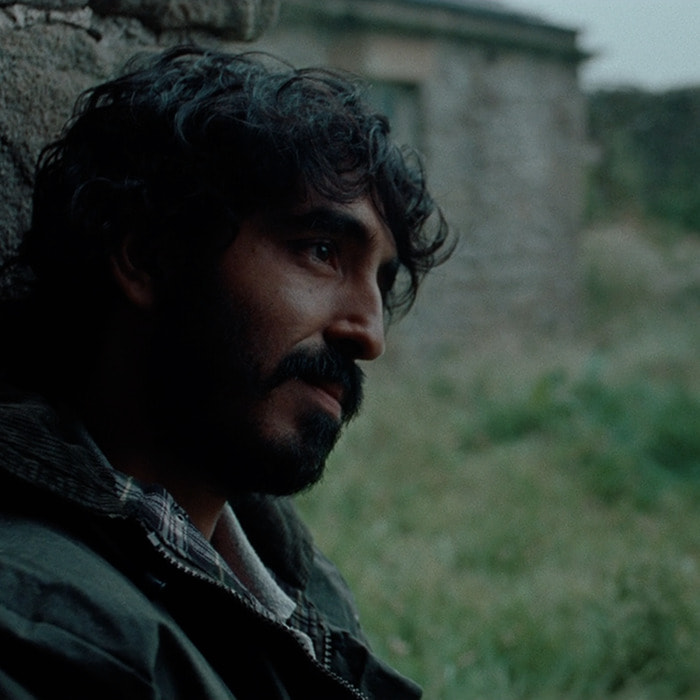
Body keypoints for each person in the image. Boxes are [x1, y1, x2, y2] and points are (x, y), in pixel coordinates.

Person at [0, 45, 451, 699]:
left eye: (381, 284)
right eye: (322, 251)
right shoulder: (35, 631)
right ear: (148, 254)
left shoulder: (296, 579)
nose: (369, 334)